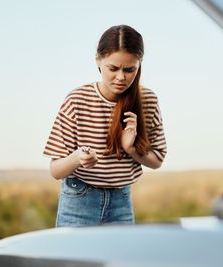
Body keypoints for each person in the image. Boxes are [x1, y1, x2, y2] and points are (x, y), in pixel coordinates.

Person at [43, 25, 167, 227]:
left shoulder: (148, 101)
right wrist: (78, 158)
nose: (121, 77)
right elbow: (55, 170)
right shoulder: (76, 100)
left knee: (118, 259)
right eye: (113, 68)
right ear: (98, 61)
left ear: (139, 64)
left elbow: (157, 160)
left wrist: (131, 148)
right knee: (75, 259)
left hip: (121, 200)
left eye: (129, 70)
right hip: (78, 199)